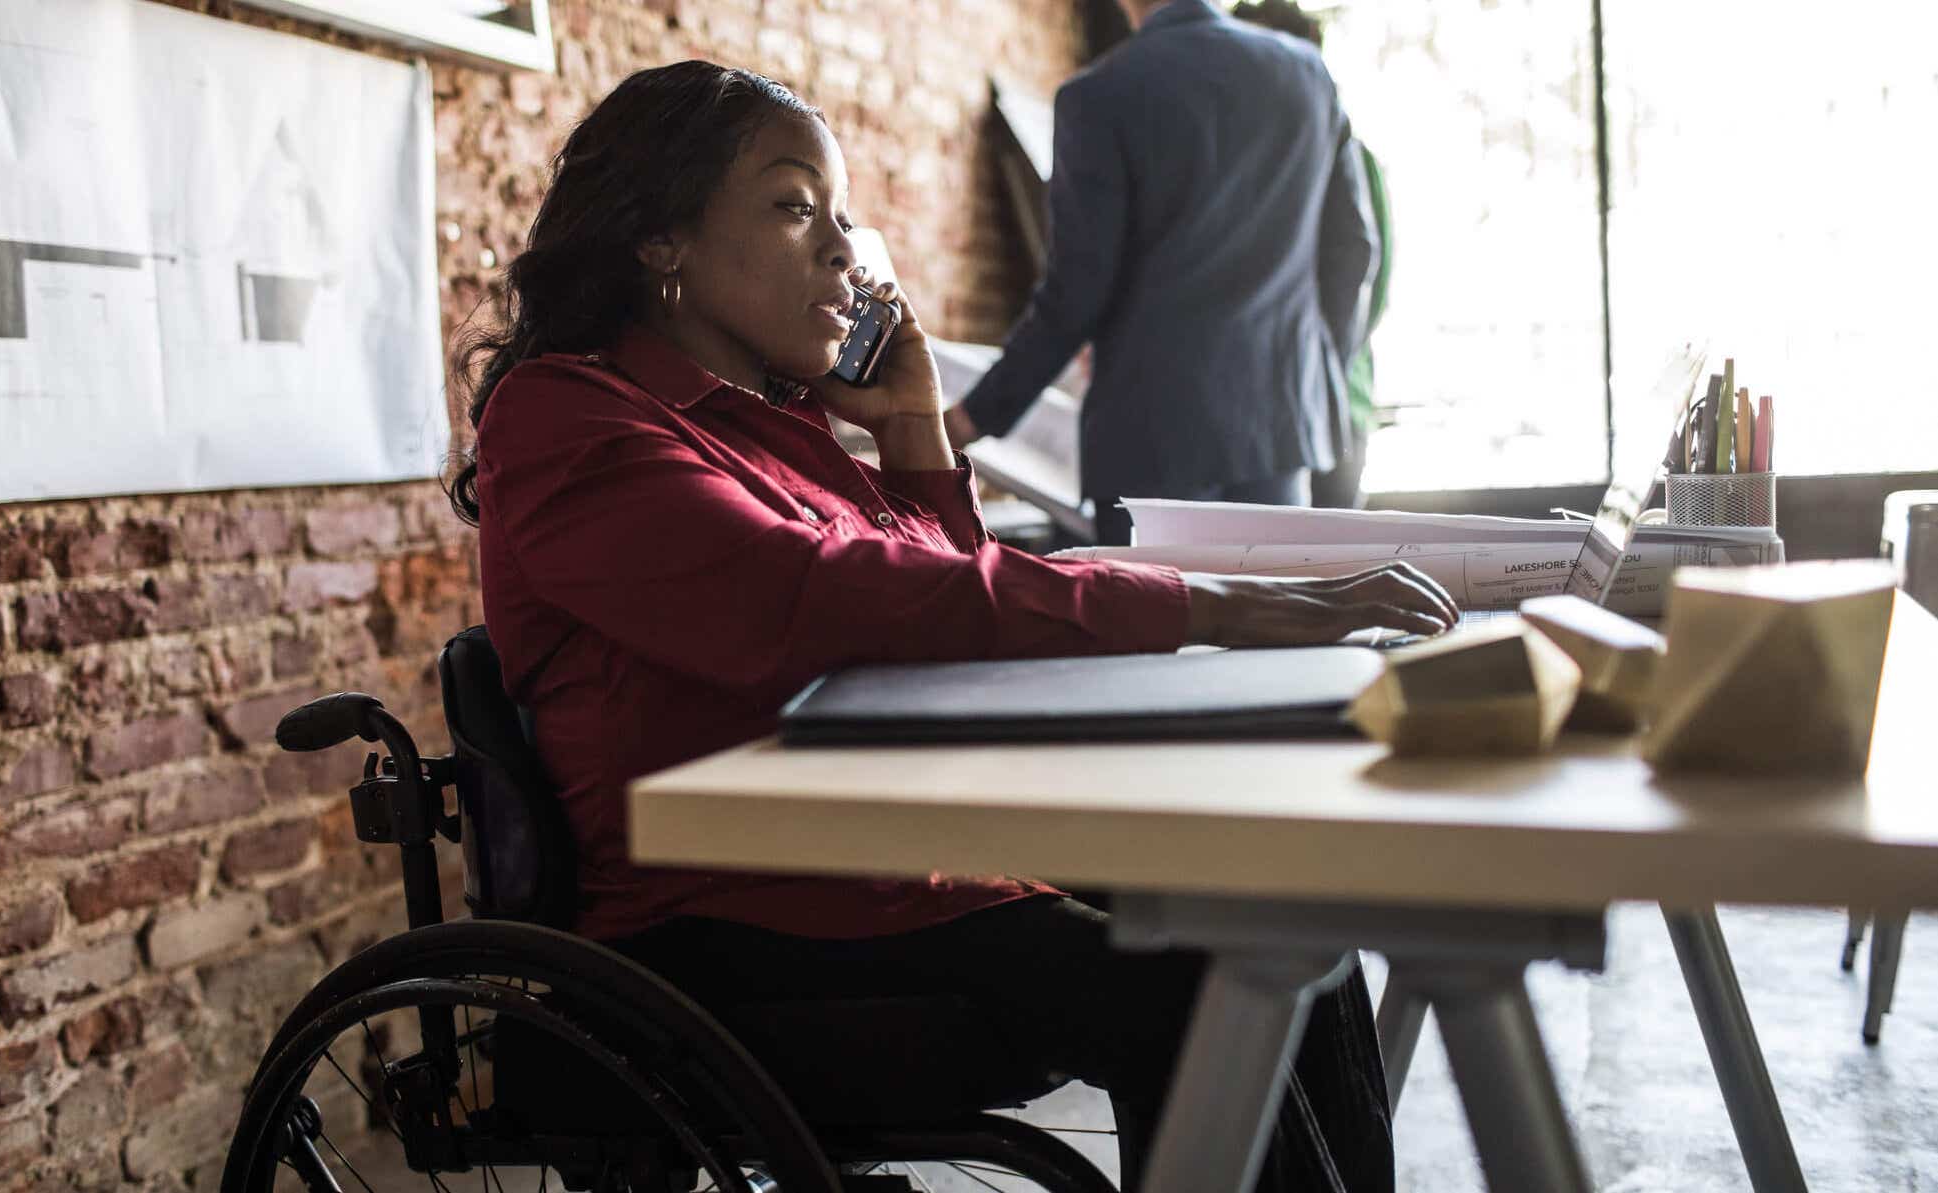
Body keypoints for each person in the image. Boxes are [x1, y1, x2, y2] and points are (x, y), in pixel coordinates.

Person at [449, 60, 1456, 1190]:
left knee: (1283, 911)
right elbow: (843, 599)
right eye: (793, 208)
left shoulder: (779, 425)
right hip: (719, 926)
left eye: (841, 213)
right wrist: (1235, 603)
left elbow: (931, 591)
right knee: (1216, 974)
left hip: (887, 862)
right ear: (660, 241)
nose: (843, 247)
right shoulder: (564, 418)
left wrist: (915, 429)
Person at [943, 0, 1379, 544]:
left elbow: (1076, 292)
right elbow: (1355, 250)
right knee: (1278, 621)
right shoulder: (1306, 75)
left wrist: (971, 417)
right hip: (1281, 429)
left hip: (1150, 441)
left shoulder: (1097, 96)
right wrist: (1308, 372)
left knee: (1153, 624)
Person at [1232, 0, 1394, 510]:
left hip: (1333, 400)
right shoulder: (1250, 158)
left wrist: (1320, 365)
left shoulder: (1344, 150)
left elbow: (1372, 268)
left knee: (1328, 573)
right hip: (1273, 409)